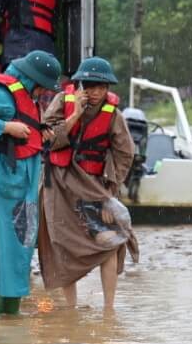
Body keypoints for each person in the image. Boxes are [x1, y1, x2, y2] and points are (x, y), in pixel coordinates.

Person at [0, 50, 63, 319]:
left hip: (22, 187)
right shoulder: (0, 93)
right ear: (32, 79)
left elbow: (24, 125)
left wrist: (39, 131)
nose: (42, 93)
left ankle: (9, 321)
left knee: (19, 248)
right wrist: (5, 127)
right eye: (41, 86)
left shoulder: (26, 96)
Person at [38, 56, 139, 312]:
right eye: (89, 86)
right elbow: (48, 141)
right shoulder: (62, 102)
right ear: (79, 85)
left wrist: (110, 195)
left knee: (111, 242)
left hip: (95, 185)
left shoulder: (113, 115)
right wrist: (75, 116)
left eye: (101, 87)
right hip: (59, 184)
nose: (95, 92)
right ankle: (70, 310)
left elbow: (124, 155)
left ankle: (108, 309)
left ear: (108, 89)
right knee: (62, 244)